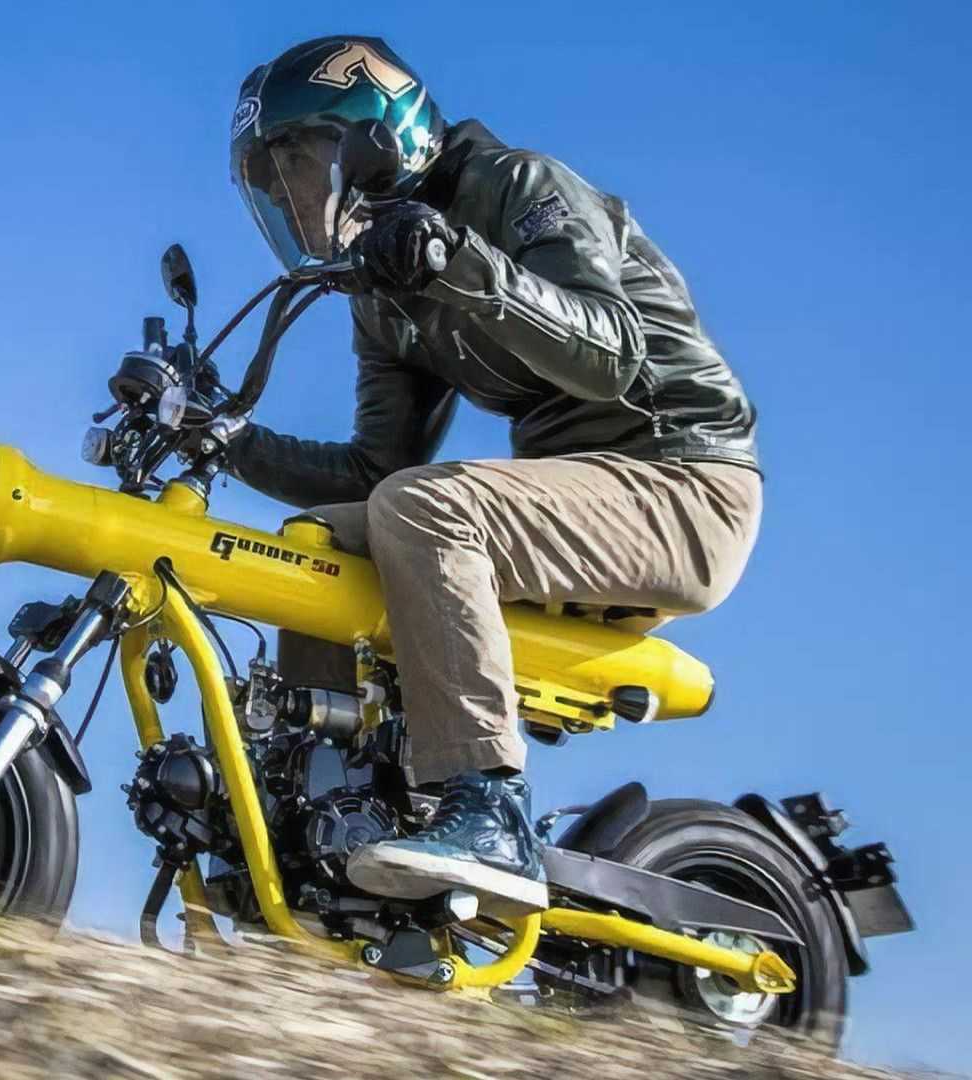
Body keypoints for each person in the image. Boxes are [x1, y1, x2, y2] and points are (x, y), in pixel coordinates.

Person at [219, 36, 762, 913]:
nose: (295, 196)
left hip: (684, 485)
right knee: (321, 540)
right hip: (580, 500)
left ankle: (487, 807)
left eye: (304, 165)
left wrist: (459, 263)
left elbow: (611, 356)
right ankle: (329, 814)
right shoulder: (385, 284)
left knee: (428, 510)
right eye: (277, 183)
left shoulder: (518, 187)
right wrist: (228, 438)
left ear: (375, 138)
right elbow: (375, 468)